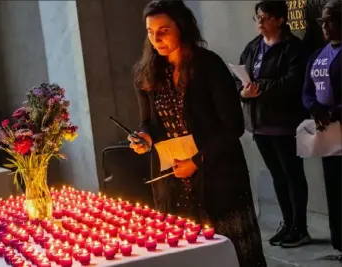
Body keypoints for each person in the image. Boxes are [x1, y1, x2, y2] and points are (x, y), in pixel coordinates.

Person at [130, 1, 266, 266]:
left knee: (228, 248)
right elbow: (147, 122)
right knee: (187, 250)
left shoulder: (208, 65)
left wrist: (197, 161)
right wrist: (144, 137)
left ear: (182, 27)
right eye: (150, 32)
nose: (156, 39)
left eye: (164, 30)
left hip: (216, 172)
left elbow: (233, 126)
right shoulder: (146, 72)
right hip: (172, 178)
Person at [236, 1, 311, 248]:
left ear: (280, 20)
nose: (260, 21)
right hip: (259, 123)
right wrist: (242, 93)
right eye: (258, 16)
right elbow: (239, 79)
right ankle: (287, 223)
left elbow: (292, 83)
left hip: (285, 123)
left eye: (266, 17)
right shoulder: (252, 47)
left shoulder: (293, 48)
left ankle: (300, 228)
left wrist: (259, 89)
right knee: (278, 176)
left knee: (292, 176)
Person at [302, 0, 341, 260]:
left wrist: (334, 112)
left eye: (329, 19)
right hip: (329, 135)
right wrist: (315, 109)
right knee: (335, 189)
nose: (324, 25)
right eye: (321, 21)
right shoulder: (317, 55)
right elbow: (306, 91)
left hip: (338, 122)